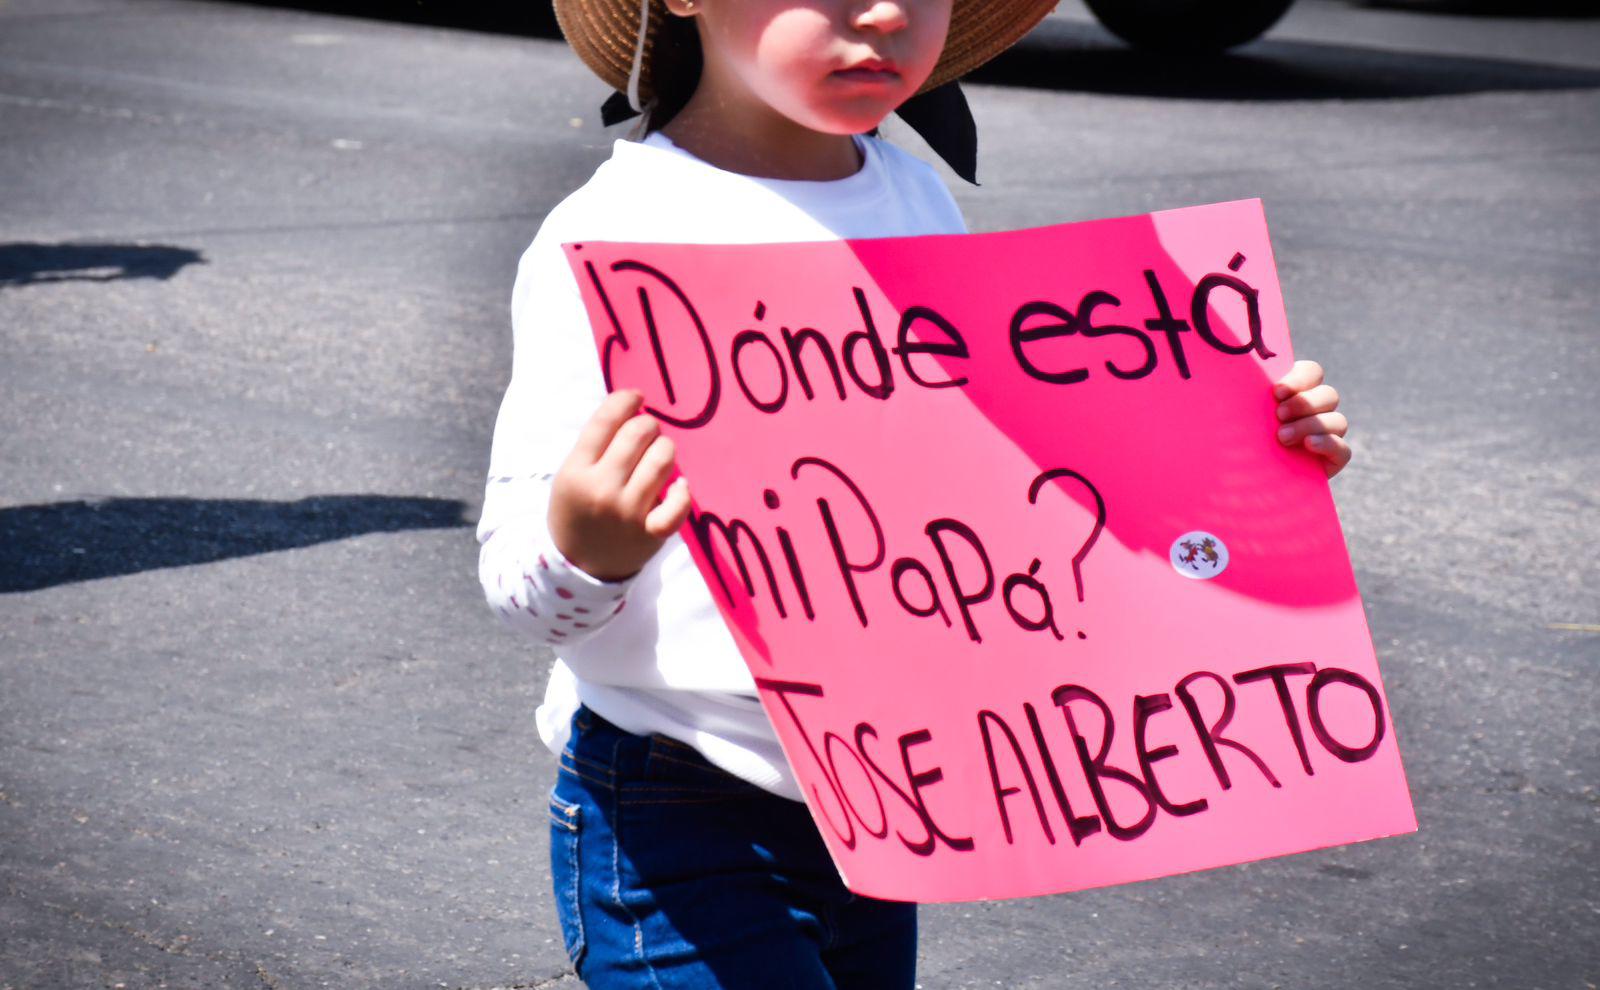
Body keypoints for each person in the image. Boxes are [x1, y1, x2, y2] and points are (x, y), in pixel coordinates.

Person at [476, 1, 1354, 986]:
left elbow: (1001, 486)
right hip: (677, 805)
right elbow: (517, 583)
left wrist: (1241, 446)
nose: (887, 10)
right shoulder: (609, 236)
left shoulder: (913, 193)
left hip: (886, 802)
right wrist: (588, 544)